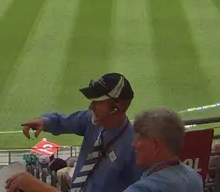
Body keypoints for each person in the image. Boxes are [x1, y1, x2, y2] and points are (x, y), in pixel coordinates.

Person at [11, 73, 140, 192]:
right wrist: (44, 122)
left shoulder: (134, 148)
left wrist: (37, 187)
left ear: (116, 109)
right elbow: (64, 121)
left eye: (97, 102)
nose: (91, 106)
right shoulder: (92, 120)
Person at [120, 108, 202, 192]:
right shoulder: (195, 178)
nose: (133, 144)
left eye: (138, 139)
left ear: (156, 145)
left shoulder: (143, 189)